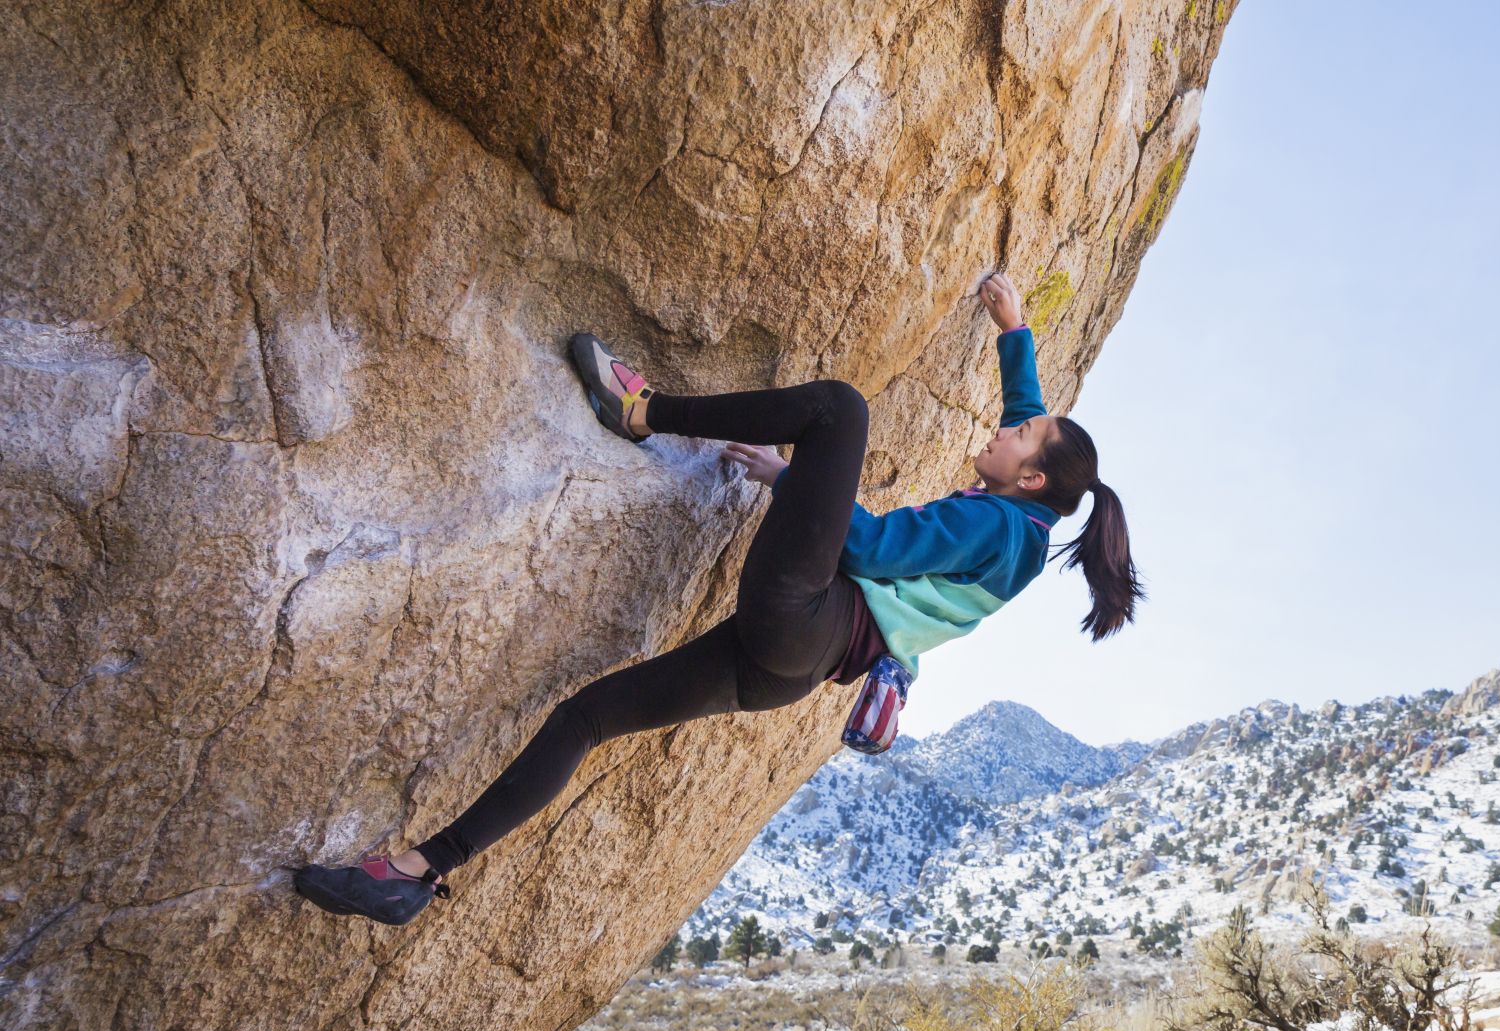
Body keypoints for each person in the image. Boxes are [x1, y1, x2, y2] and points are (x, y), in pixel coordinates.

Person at [292, 271, 1144, 925]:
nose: (1006, 425)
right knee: (585, 719)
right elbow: (1031, 415)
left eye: (1021, 436)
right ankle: (418, 871)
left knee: (839, 411)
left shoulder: (999, 530)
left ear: (1030, 476)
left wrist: (797, 476)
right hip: (788, 672)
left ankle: (641, 409)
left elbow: (874, 548)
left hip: (811, 618)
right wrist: (1015, 330)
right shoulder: (1026, 519)